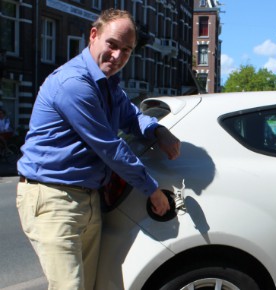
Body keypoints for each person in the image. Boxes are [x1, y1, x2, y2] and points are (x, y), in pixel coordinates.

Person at [15, 9, 180, 290]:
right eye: (112, 45)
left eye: (126, 50)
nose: (117, 56)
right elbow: (110, 147)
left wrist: (157, 130)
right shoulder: (74, 84)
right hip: (53, 197)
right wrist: (151, 189)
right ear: (94, 35)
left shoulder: (109, 86)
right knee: (70, 287)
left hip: (86, 199)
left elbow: (131, 115)